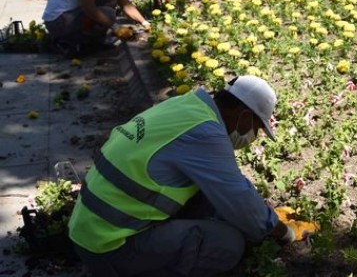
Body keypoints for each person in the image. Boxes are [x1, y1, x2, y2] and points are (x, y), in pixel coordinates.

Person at [68, 76, 302, 276]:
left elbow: (226, 191)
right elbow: (237, 197)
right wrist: (283, 232)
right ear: (243, 115)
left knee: (212, 201)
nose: (254, 136)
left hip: (89, 231)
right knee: (228, 244)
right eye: (257, 128)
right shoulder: (206, 133)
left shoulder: (187, 106)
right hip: (110, 248)